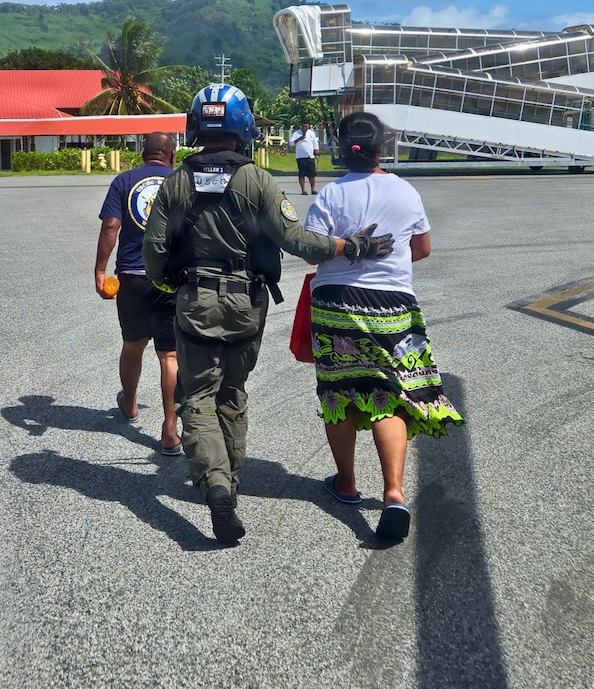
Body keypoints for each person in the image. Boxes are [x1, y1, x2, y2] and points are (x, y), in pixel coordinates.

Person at [142, 85, 394, 545]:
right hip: (246, 303)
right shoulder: (258, 180)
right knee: (232, 390)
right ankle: (229, 481)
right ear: (243, 126)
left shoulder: (176, 182)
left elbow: (154, 253)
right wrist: (353, 246)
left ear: (197, 124)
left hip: (194, 301)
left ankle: (216, 483)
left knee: (196, 396)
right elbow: (297, 241)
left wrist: (170, 286)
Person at [303, 111, 464, 541]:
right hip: (393, 305)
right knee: (388, 396)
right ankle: (393, 493)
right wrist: (388, 264)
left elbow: (313, 253)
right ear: (382, 148)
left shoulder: (331, 195)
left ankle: (347, 484)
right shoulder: (406, 192)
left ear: (341, 149)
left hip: (336, 305)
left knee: (339, 392)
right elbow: (423, 249)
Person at [95, 131, 181, 455]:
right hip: (171, 279)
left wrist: (101, 271)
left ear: (143, 154)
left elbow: (110, 226)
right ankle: (170, 430)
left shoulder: (124, 180)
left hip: (131, 277)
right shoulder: (183, 182)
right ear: (172, 156)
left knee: (133, 346)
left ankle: (129, 403)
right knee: (169, 356)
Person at [290, 121, 320, 195]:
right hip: (300, 157)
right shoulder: (296, 133)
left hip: (310, 156)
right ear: (301, 126)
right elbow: (291, 143)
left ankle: (313, 189)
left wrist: (317, 153)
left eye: (307, 126)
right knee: (302, 174)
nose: (305, 128)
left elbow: (315, 143)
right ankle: (303, 190)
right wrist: (299, 139)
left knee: (312, 174)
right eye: (304, 126)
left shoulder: (311, 133)